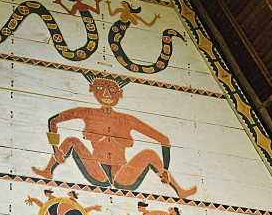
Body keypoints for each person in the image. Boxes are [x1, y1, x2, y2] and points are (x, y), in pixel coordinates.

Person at [33, 75, 196, 199]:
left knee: (149, 153)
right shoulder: (87, 113)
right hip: (97, 170)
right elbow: (53, 121)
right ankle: (48, 170)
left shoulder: (127, 120)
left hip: (123, 175)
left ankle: (179, 190)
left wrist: (165, 167)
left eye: (111, 89)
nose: (106, 94)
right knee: (72, 141)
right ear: (91, 89)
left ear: (120, 93)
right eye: (99, 88)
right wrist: (55, 149)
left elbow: (164, 140)